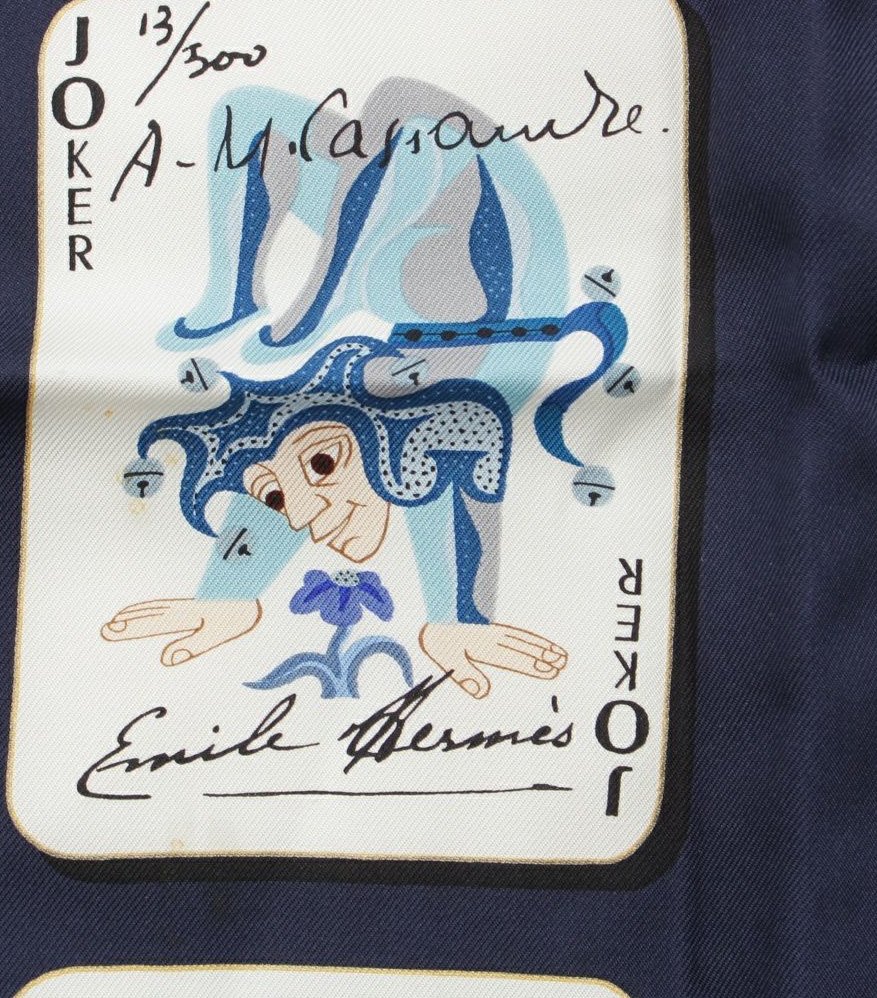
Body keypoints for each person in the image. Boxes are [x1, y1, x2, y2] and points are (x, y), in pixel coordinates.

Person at [102, 80, 629, 698]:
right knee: (278, 116)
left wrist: (227, 594)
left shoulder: (409, 416)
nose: (306, 521)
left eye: (290, 493)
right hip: (438, 224)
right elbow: (391, 460)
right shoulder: (432, 427)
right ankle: (261, 296)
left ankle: (293, 296)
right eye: (282, 497)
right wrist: (457, 620)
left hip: (441, 201)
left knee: (352, 118)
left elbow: (319, 446)